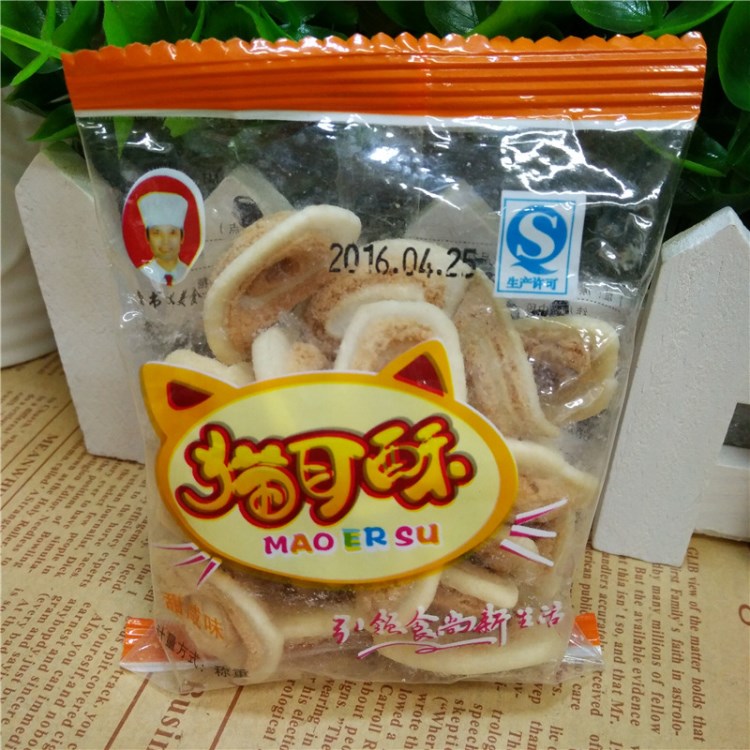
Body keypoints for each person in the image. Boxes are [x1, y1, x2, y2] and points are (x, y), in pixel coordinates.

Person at [137, 191, 190, 285]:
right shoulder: (138, 275)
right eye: (157, 233)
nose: (165, 241)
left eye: (172, 232)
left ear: (182, 237)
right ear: (147, 237)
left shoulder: (191, 271)